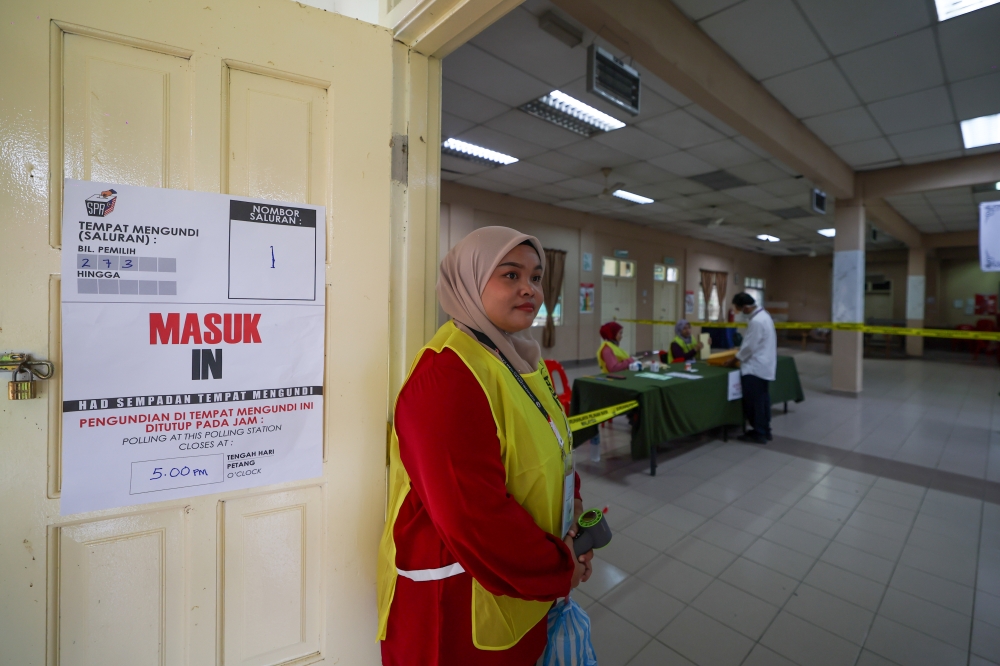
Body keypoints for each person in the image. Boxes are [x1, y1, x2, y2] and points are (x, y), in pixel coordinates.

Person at [377, 227, 594, 666]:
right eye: (510, 275)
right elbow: (475, 520)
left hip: (521, 589)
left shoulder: (520, 361)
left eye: (535, 277)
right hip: (453, 610)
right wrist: (559, 566)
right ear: (468, 281)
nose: (529, 289)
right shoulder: (447, 377)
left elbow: (554, 449)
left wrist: (571, 530)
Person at [727, 292, 777, 444]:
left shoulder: (757, 321)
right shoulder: (764, 315)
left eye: (738, 309)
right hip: (764, 365)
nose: (739, 312)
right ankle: (765, 430)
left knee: (755, 403)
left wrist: (734, 359)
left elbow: (749, 347)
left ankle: (759, 433)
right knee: (762, 401)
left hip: (755, 368)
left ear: (746, 307)